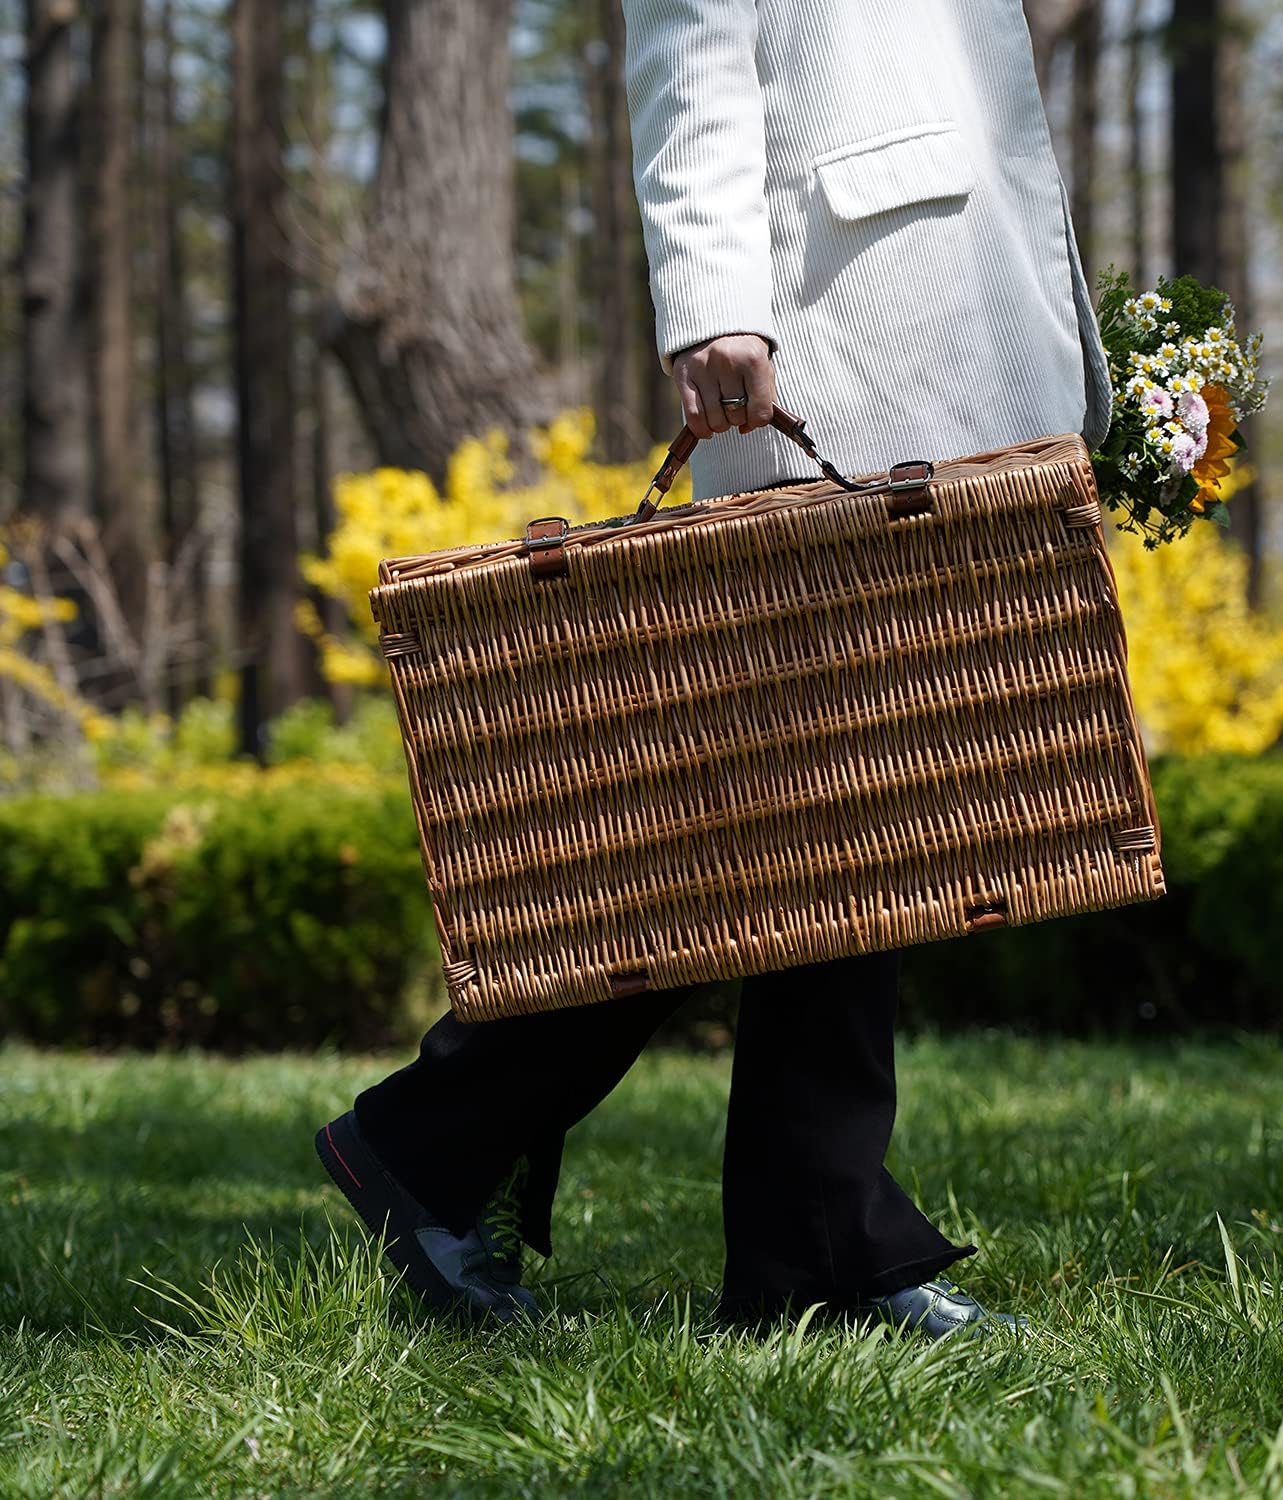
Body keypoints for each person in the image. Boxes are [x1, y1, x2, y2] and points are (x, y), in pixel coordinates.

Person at [316, 0, 1109, 1342]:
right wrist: (714, 302)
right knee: (789, 816)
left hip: (930, 311)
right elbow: (686, 46)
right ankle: (447, 1136)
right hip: (834, 335)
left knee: (832, 818)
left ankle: (792, 1232)